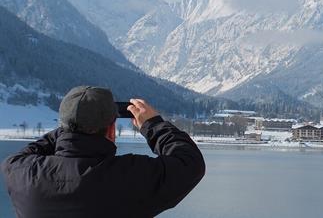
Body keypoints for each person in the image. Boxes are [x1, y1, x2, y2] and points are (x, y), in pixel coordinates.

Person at [1, 86, 205, 218]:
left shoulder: (22, 173)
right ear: (111, 129)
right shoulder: (129, 177)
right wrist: (152, 125)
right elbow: (189, 163)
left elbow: (27, 153)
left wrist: (70, 125)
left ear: (62, 126)